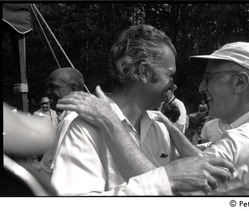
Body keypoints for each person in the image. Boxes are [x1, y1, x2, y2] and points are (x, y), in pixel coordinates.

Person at [51, 24, 235, 196]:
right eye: (169, 75)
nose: (173, 85)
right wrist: (163, 180)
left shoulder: (160, 128)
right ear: (142, 72)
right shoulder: (82, 125)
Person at [154, 41, 249, 195]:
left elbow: (159, 194)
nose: (201, 87)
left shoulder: (246, 142)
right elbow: (202, 160)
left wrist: (122, 130)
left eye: (208, 78)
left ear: (239, 82)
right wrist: (170, 127)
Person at [36, 67, 85, 180]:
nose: (48, 92)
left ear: (73, 88)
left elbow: (59, 168)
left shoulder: (70, 120)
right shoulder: (75, 116)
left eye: (53, 87)